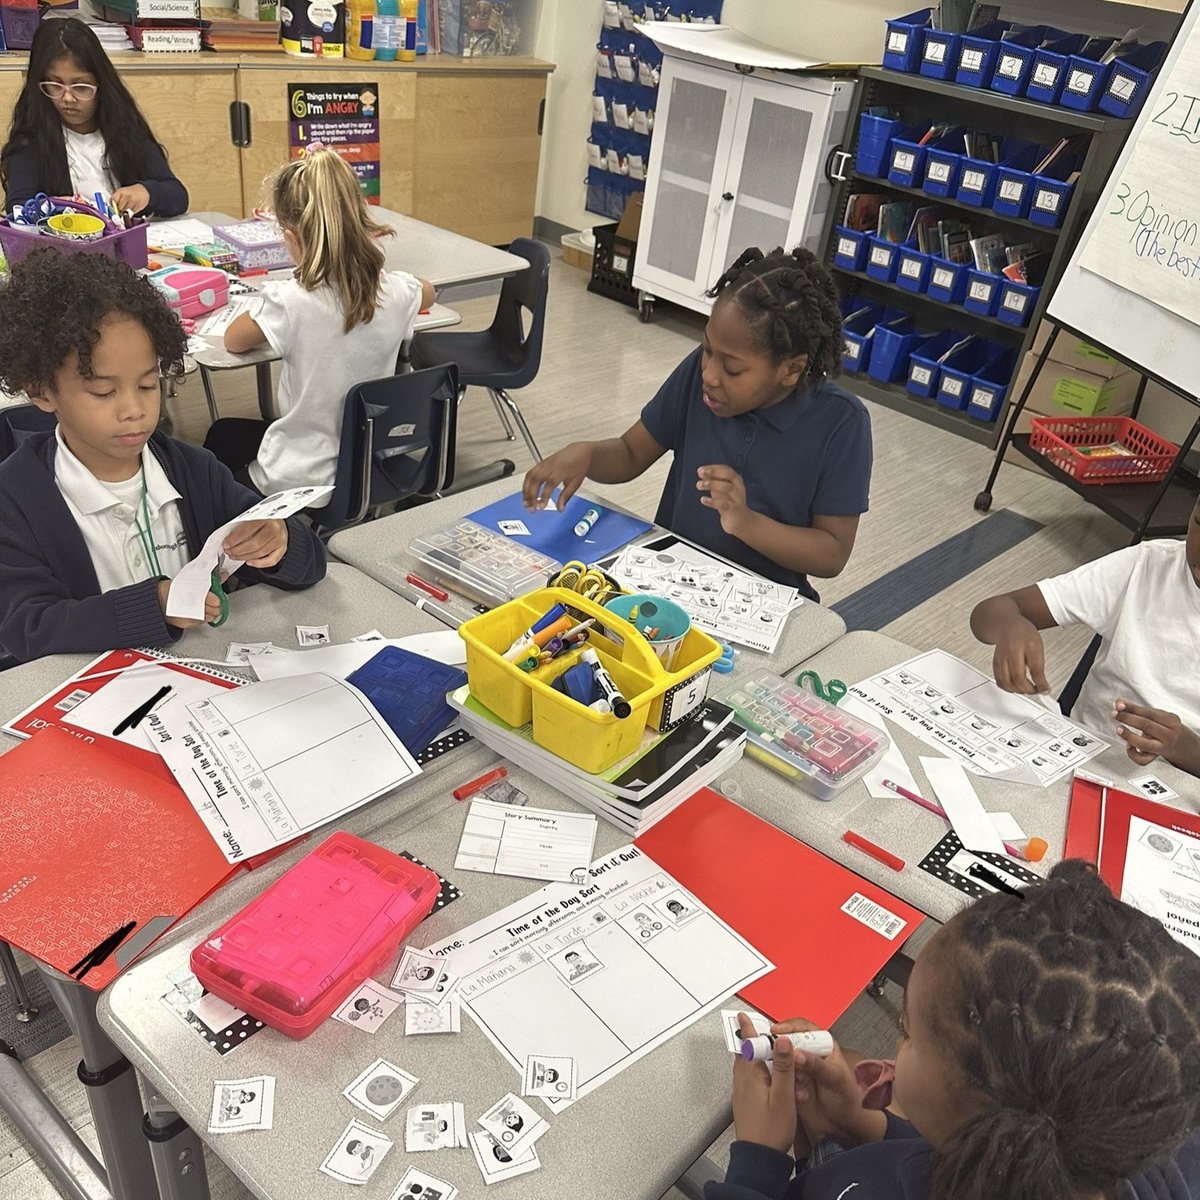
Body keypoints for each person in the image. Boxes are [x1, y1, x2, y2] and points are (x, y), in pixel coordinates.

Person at [714, 860, 1200, 1200]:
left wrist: (757, 1162)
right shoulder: (1120, 1144)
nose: (895, 1045)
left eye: (905, 1032)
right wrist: (867, 1127)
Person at [0, 248, 326, 663]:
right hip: (90, 699)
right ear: (41, 390)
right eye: (103, 392)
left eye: (149, 384)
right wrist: (152, 605)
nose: (134, 409)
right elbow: (26, 629)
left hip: (197, 685)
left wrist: (280, 541)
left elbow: (312, 566)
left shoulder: (194, 471)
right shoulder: (14, 499)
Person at [523, 247, 872, 602]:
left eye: (733, 369)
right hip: (670, 581)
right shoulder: (699, 376)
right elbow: (631, 452)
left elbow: (832, 553)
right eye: (706, 350)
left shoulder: (842, 423)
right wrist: (588, 454)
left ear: (792, 370)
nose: (709, 374)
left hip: (765, 603)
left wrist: (746, 522)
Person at [203, 148, 434, 508]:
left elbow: (234, 340)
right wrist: (378, 274)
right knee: (228, 433)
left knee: (215, 448)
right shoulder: (397, 292)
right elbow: (428, 292)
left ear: (293, 237)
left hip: (300, 476)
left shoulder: (291, 300)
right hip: (368, 461)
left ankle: (241, 524)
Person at [969, 502, 1200, 776]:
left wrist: (1181, 746)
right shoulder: (1146, 566)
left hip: (1178, 790)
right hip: (1079, 759)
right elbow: (990, 612)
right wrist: (1011, 624)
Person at [1, 17, 187, 216]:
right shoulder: (31, 139)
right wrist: (50, 207)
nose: (68, 98)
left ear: (101, 85)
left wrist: (147, 192)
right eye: (55, 85)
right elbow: (18, 208)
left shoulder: (125, 127)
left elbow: (178, 196)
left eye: (81, 87)